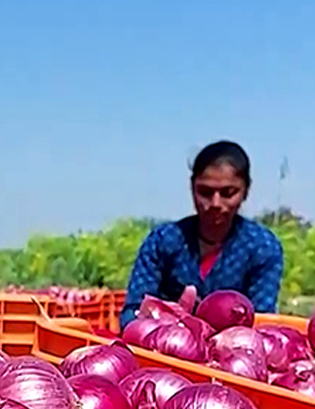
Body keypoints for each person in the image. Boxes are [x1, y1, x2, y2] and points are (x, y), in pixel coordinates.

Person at [119, 141, 284, 329]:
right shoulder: (163, 241)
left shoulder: (262, 247)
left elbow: (261, 321)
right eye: (205, 192)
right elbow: (133, 311)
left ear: (245, 190)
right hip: (162, 351)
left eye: (228, 193)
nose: (215, 203)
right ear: (192, 187)